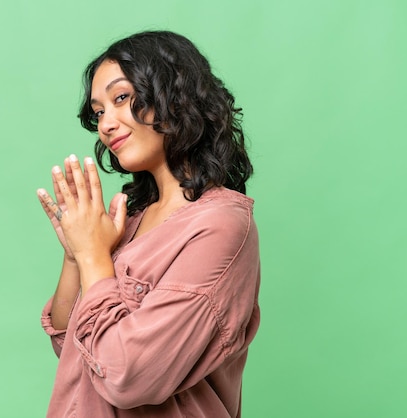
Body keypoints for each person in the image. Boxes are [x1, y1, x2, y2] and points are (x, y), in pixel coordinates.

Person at [36, 30, 260, 417]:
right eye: (99, 111)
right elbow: (72, 345)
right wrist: (77, 256)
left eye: (121, 98)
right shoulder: (130, 220)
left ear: (174, 95)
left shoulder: (220, 225)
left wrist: (94, 256)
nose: (105, 124)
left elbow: (128, 374)